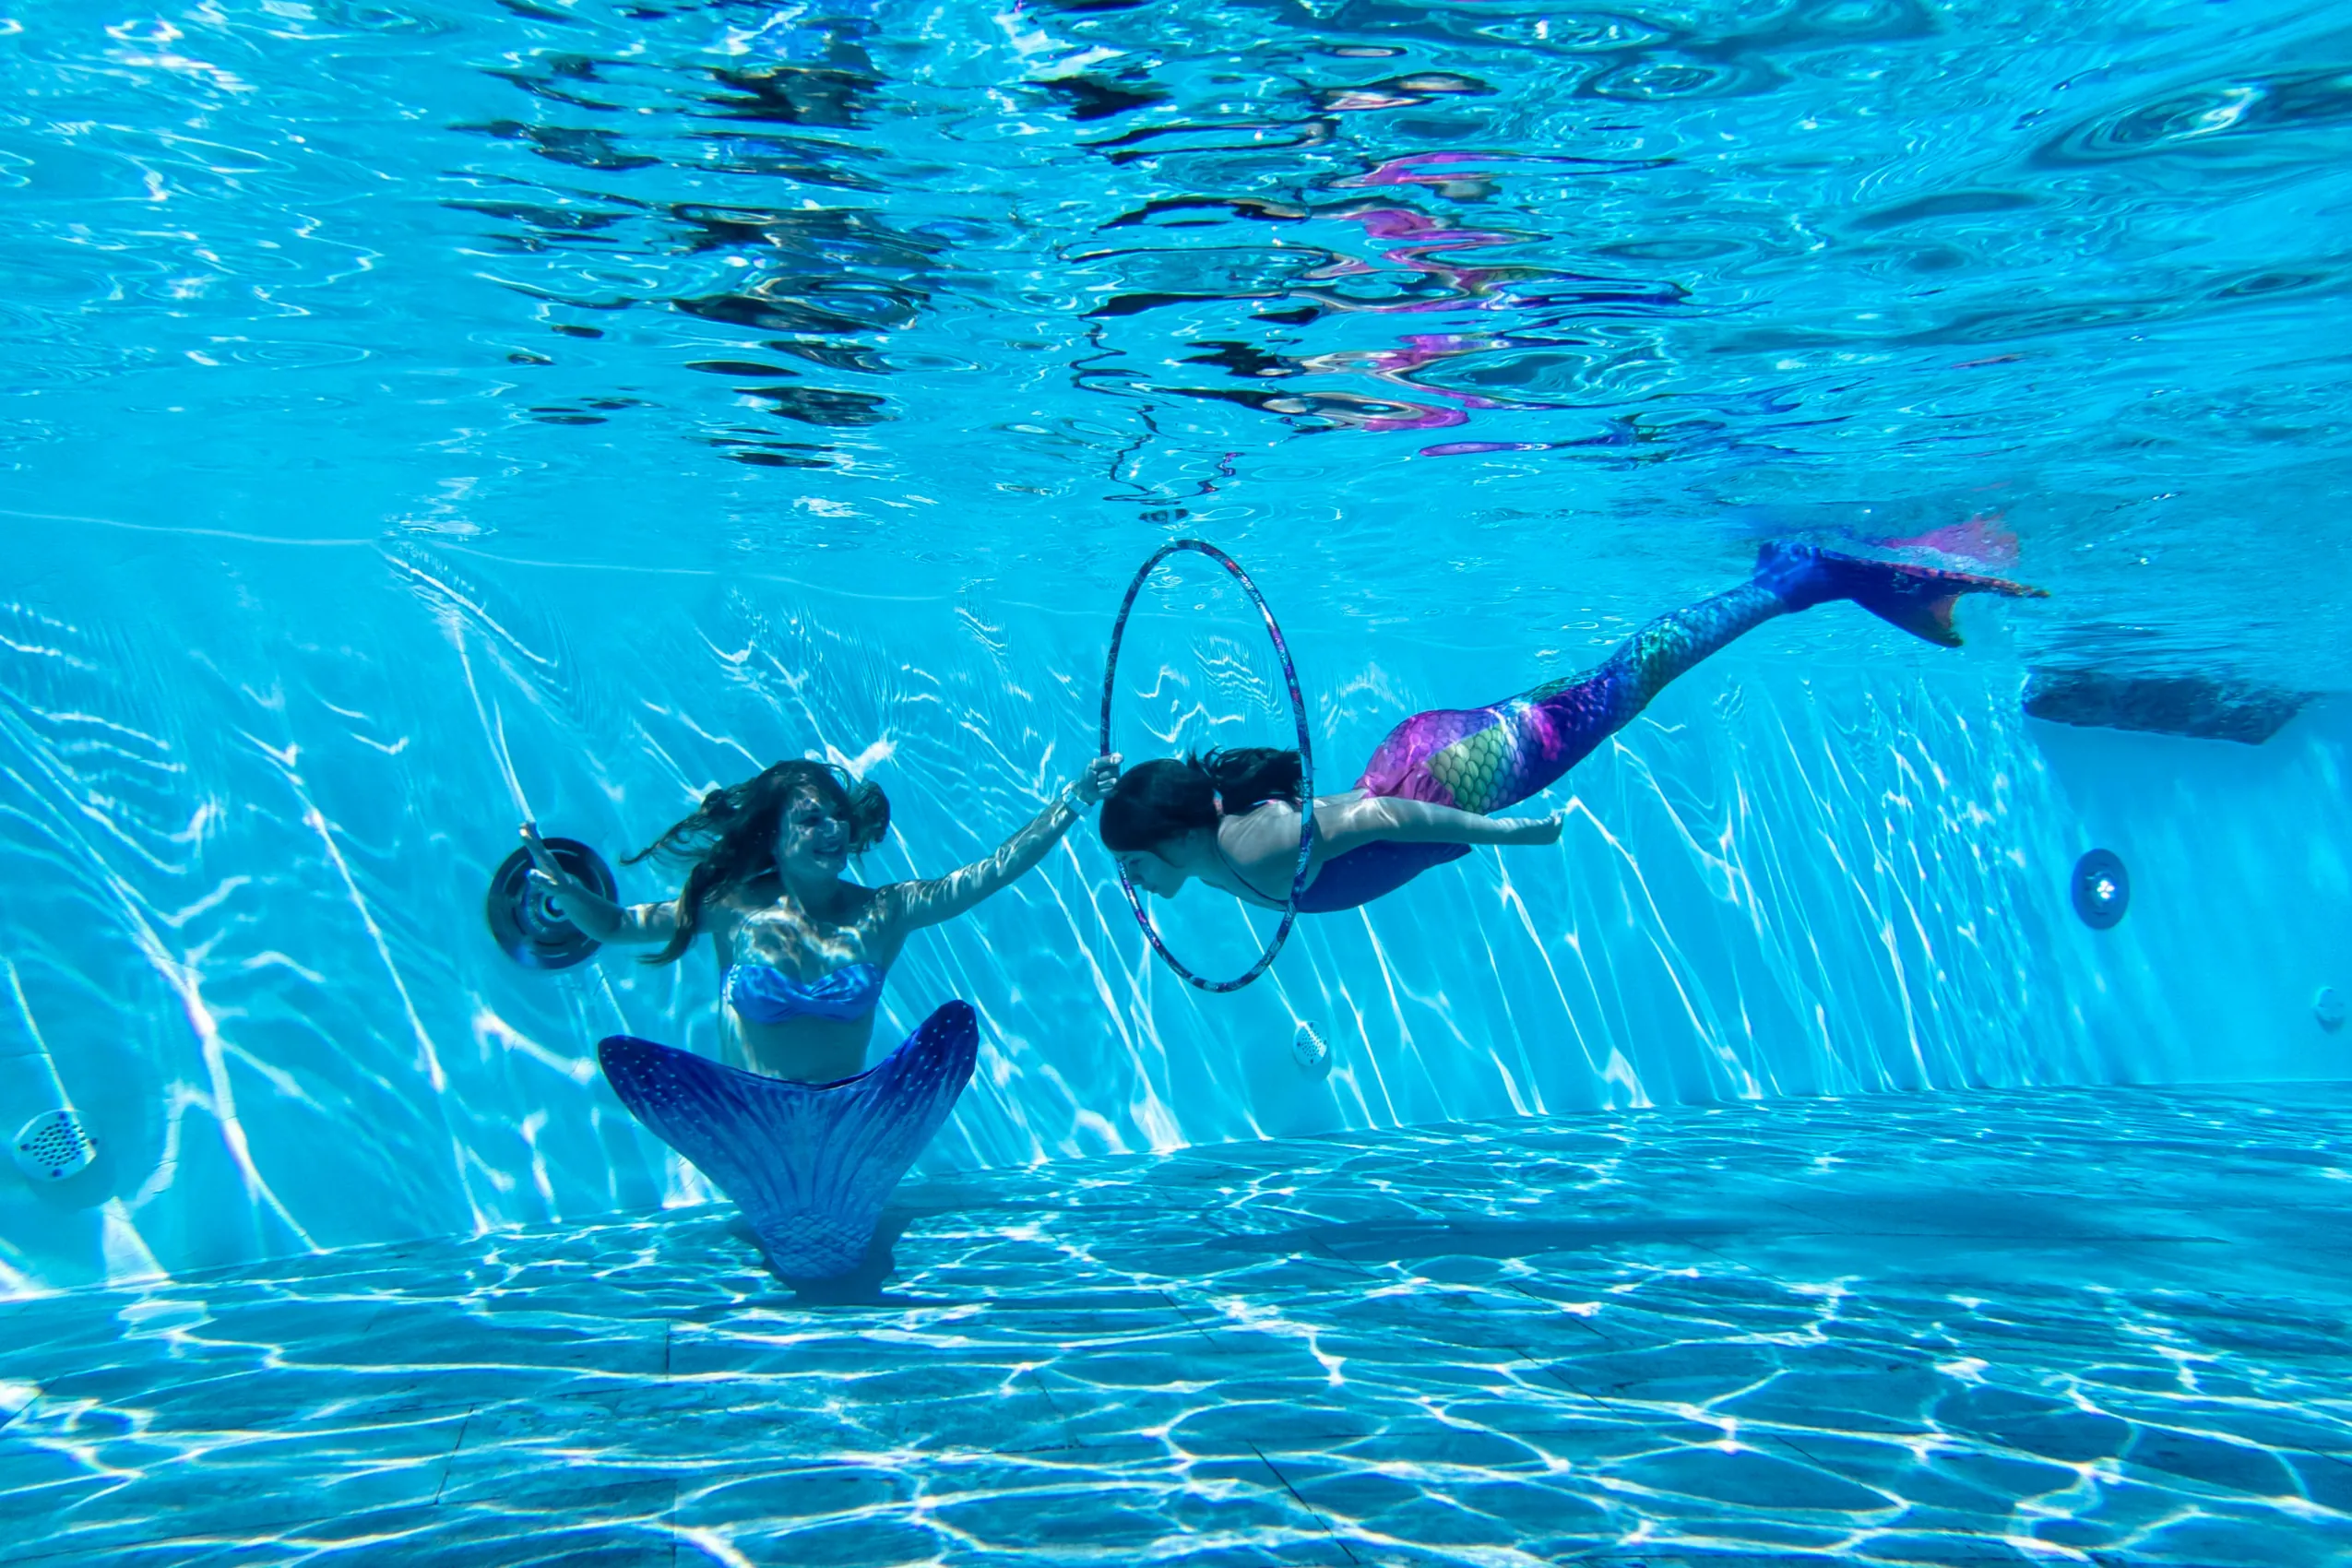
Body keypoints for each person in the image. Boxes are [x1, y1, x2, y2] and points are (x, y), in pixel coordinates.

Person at [1099, 541, 2043, 912]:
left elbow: (1384, 823)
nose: (1134, 886)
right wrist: (1105, 794)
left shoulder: (1253, 848)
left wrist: (1508, 832)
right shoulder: (1214, 838)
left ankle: (1802, 577)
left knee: (1626, 682)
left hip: (1446, 781)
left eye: (1132, 863)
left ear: (1171, 834)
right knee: (1603, 684)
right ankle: (1789, 580)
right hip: (1422, 757)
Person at [522, 753, 1120, 1279]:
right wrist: (569, 895)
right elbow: (618, 926)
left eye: (837, 816)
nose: (832, 829)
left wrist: (1071, 801)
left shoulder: (885, 910)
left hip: (853, 1128)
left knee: (833, 1257)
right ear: (773, 836)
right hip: (749, 1127)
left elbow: (990, 873)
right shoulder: (730, 908)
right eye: (811, 819)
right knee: (809, 1255)